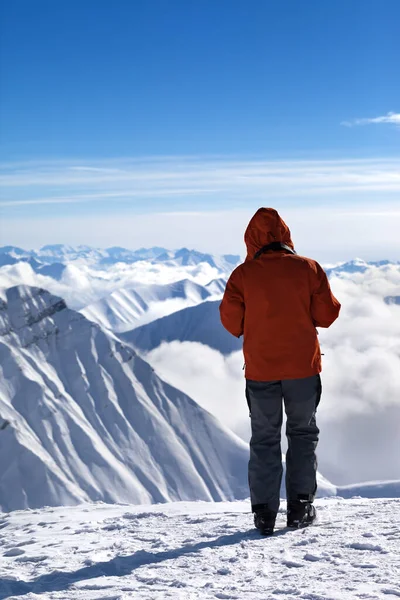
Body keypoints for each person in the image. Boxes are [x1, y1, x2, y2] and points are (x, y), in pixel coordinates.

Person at [219, 208, 341, 535]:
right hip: (302, 367)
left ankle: (264, 515)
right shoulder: (309, 269)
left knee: (264, 439)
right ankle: (301, 508)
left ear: (252, 239)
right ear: (285, 235)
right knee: (301, 434)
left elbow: (231, 323)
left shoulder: (243, 275)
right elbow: (327, 314)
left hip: (260, 369)